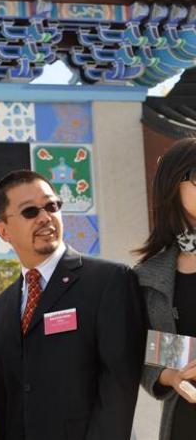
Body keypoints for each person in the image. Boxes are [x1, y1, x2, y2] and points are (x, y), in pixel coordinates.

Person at [0, 169, 145, 440]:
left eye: (52, 206)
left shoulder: (109, 281)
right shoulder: (0, 308)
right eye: (30, 212)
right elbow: (1, 402)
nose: (45, 217)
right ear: (3, 231)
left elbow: (119, 385)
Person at [135, 137, 196, 440]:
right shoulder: (148, 276)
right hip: (186, 419)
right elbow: (147, 354)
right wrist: (170, 376)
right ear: (173, 184)